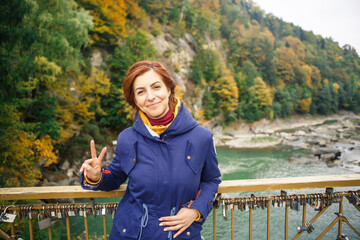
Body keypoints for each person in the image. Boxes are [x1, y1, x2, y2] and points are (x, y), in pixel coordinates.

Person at [80, 60, 221, 240]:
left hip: (180, 235)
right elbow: (115, 176)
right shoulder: (127, 138)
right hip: (129, 234)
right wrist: (95, 176)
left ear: (168, 89)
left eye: (156, 87)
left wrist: (196, 209)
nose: (150, 97)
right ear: (135, 101)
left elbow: (211, 180)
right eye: (141, 92)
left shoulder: (202, 137)